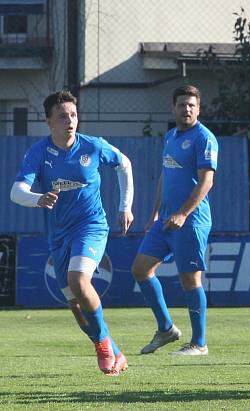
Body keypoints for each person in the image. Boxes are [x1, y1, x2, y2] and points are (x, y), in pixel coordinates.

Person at [10, 90, 133, 375]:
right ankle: (115, 351)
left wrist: (125, 207)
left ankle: (102, 344)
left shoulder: (92, 146)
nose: (70, 121)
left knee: (78, 280)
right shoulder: (38, 153)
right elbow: (17, 192)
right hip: (58, 235)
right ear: (48, 121)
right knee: (76, 306)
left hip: (91, 225)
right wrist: (38, 198)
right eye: (63, 116)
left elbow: (124, 164)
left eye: (74, 115)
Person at [132, 85, 218, 356]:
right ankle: (166, 328)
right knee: (140, 269)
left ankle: (199, 343)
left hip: (190, 221)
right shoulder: (170, 136)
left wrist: (183, 213)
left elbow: (207, 181)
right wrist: (155, 213)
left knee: (190, 281)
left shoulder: (204, 138)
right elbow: (165, 177)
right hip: (165, 221)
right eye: (182, 104)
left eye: (192, 105)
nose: (187, 109)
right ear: (173, 108)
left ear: (199, 109)